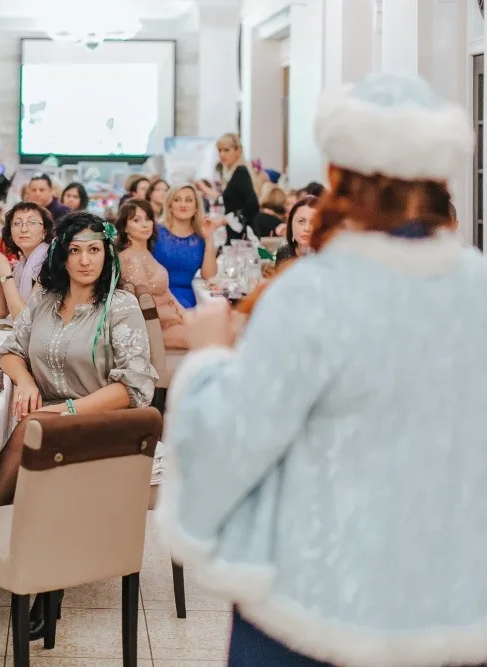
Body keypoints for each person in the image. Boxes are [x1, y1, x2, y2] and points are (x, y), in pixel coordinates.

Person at [155, 72, 487, 667]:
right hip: (451, 601)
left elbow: (236, 441)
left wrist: (208, 358)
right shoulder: (476, 288)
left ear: (338, 174)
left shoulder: (313, 293)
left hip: (316, 601)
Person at [0, 210, 156, 509]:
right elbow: (9, 350)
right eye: (74, 251)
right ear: (62, 256)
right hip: (47, 418)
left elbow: (135, 385)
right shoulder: (45, 299)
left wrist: (66, 410)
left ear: (107, 255)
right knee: (15, 430)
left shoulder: (120, 306)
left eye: (94, 250)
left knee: (29, 427)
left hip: (101, 420)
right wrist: (25, 382)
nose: (85, 261)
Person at [115, 200, 186, 349]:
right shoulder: (131, 258)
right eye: (136, 220)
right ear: (125, 227)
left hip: (169, 320)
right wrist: (177, 318)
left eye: (147, 219)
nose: (145, 224)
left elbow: (166, 293)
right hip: (155, 330)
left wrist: (183, 313)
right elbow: (145, 308)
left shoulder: (144, 252)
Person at [153, 184, 219, 308]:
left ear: (196, 207)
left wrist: (209, 238)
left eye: (188, 200)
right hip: (156, 299)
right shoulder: (155, 232)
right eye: (177, 200)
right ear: (170, 206)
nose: (183, 204)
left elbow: (209, 276)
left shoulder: (201, 237)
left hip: (187, 300)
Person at [0, 202, 53, 320]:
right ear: (10, 233)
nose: (24, 229)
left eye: (32, 222)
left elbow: (23, 320)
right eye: (17, 223)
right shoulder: (22, 264)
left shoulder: (50, 262)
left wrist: (5, 272)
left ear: (45, 232)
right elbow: (0, 313)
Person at [212, 133, 260, 242]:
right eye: (220, 150)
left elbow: (253, 204)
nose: (222, 154)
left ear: (238, 151)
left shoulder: (240, 172)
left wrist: (226, 220)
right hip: (237, 234)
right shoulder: (232, 174)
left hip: (242, 237)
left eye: (226, 150)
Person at [274, 195, 318, 265]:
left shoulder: (329, 257)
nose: (307, 228)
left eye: (313, 222)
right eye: (301, 221)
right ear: (291, 224)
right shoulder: (283, 253)